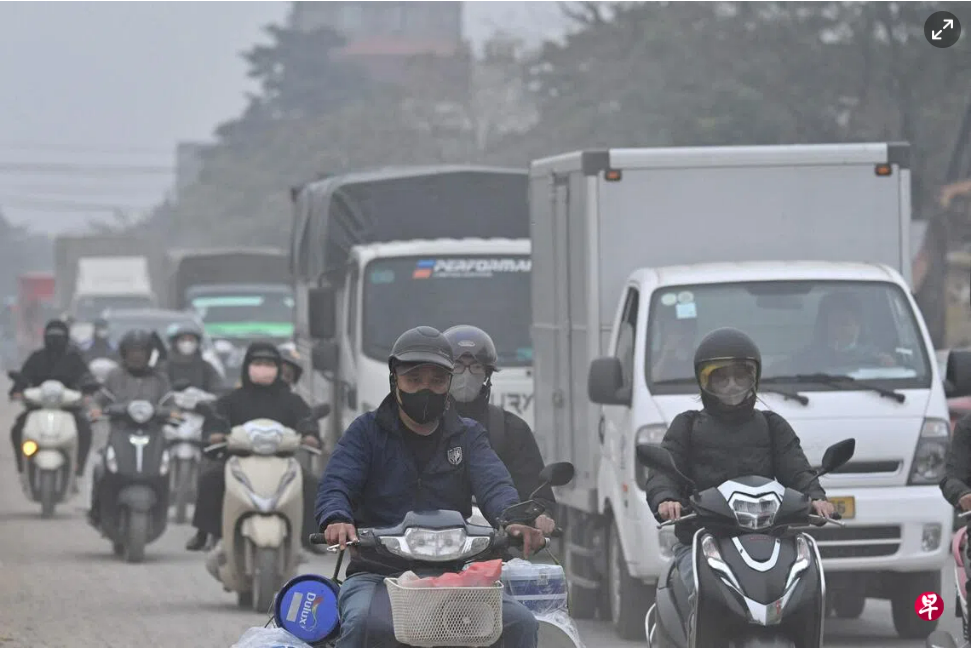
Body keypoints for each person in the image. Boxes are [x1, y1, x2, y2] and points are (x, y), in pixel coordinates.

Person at [316, 325, 543, 648]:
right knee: (361, 624)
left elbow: (495, 485)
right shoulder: (365, 432)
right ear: (395, 379)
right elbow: (337, 481)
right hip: (378, 574)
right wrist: (337, 516)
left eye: (436, 381)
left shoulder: (469, 435)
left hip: (455, 576)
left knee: (520, 624)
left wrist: (514, 518)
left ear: (449, 383)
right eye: (414, 380)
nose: (426, 389)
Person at [645, 327, 835, 600]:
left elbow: (796, 468)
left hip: (769, 543)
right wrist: (666, 499)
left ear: (754, 379)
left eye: (740, 375)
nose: (732, 385)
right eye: (721, 378)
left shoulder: (772, 426)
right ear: (704, 383)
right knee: (704, 595)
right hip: (703, 541)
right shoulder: (686, 426)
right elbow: (665, 471)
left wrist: (816, 498)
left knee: (804, 592)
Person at [185, 342, 321, 551]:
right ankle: (204, 533)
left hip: (282, 463)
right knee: (210, 480)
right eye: (258, 363)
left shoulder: (291, 400)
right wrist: (214, 434)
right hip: (237, 461)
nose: (263, 368)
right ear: (247, 366)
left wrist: (310, 434)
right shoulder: (232, 400)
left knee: (311, 483)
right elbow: (216, 419)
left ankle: (308, 536)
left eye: (268, 363)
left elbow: (306, 419)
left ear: (277, 368)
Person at [443, 324, 556, 534]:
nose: (466, 375)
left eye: (475, 367)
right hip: (428, 538)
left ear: (487, 375)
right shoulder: (423, 425)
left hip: (495, 539)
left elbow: (535, 494)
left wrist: (539, 515)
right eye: (457, 367)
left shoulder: (510, 429)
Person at [88, 329, 172, 526]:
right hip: (120, 433)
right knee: (101, 469)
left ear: (149, 354)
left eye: (141, 352)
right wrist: (95, 410)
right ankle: (96, 511)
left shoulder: (160, 379)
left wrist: (174, 412)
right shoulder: (114, 376)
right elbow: (99, 400)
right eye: (132, 351)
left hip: (153, 434)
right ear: (124, 353)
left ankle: (163, 509)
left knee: (165, 469)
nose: (137, 356)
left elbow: (171, 403)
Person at [9, 319, 94, 479]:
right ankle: (23, 465)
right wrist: (17, 391)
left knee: (84, 429)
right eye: (51, 336)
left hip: (69, 409)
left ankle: (78, 466)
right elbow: (23, 378)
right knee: (17, 428)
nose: (55, 340)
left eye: (59, 336)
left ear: (67, 338)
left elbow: (86, 378)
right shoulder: (36, 358)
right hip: (37, 408)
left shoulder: (74, 359)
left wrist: (88, 393)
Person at [785, 292, 896, 373]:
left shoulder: (875, 357)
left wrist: (889, 366)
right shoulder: (807, 358)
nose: (838, 329)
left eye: (845, 323)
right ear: (825, 325)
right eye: (834, 323)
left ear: (858, 325)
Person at [164, 323, 222, 392]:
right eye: (183, 340)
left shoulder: (206, 367)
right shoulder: (165, 366)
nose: (187, 343)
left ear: (197, 343)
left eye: (191, 340)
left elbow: (217, 387)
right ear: (175, 343)